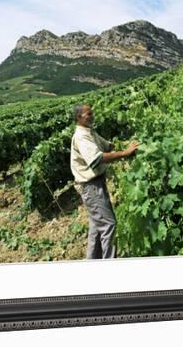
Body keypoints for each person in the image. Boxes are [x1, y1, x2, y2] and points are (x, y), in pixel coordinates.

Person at [70, 104, 139, 259]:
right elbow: (97, 159)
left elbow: (107, 146)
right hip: (90, 186)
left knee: (96, 226)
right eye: (89, 114)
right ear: (79, 118)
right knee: (109, 224)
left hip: (95, 183)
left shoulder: (89, 132)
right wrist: (124, 153)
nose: (92, 115)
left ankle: (93, 262)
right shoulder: (81, 136)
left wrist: (126, 145)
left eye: (92, 113)